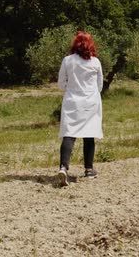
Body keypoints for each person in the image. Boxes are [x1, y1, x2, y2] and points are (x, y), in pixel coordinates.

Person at [57, 31, 103, 186]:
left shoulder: (67, 60)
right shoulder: (95, 62)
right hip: (90, 101)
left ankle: (64, 167)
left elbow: (61, 83)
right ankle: (89, 169)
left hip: (72, 101)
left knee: (69, 133)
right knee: (89, 134)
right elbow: (99, 85)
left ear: (75, 44)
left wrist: (70, 89)